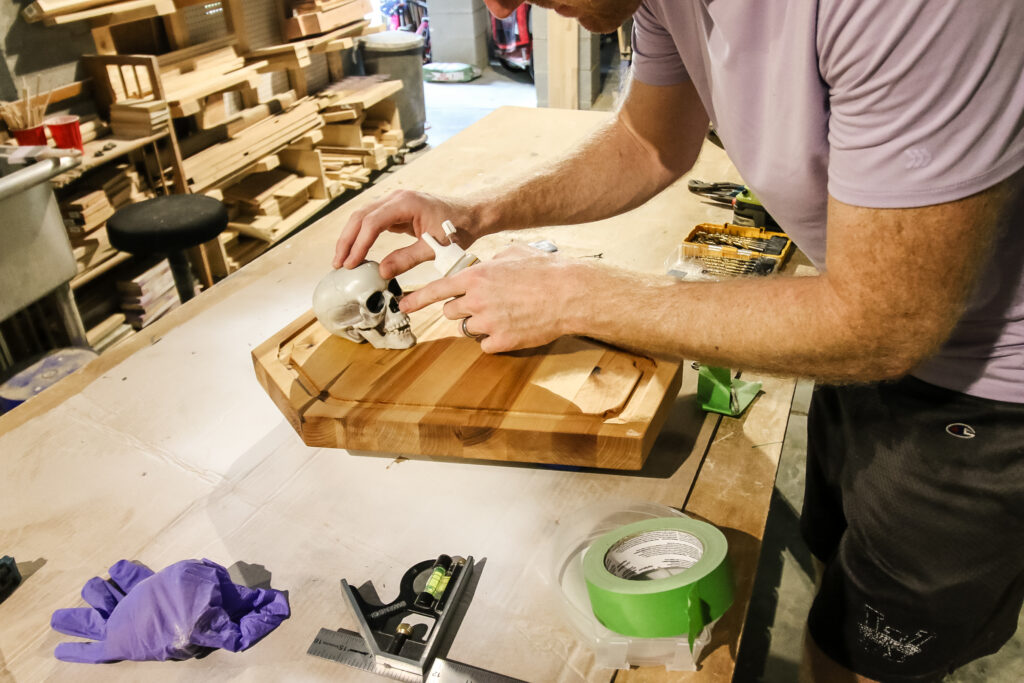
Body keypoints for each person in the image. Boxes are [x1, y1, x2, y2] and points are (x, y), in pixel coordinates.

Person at [332, 1, 1024, 681]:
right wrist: (474, 213)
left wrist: (576, 294)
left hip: (984, 393)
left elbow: (885, 322)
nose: (503, 6)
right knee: (834, 579)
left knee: (875, 654)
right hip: (864, 342)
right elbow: (649, 142)